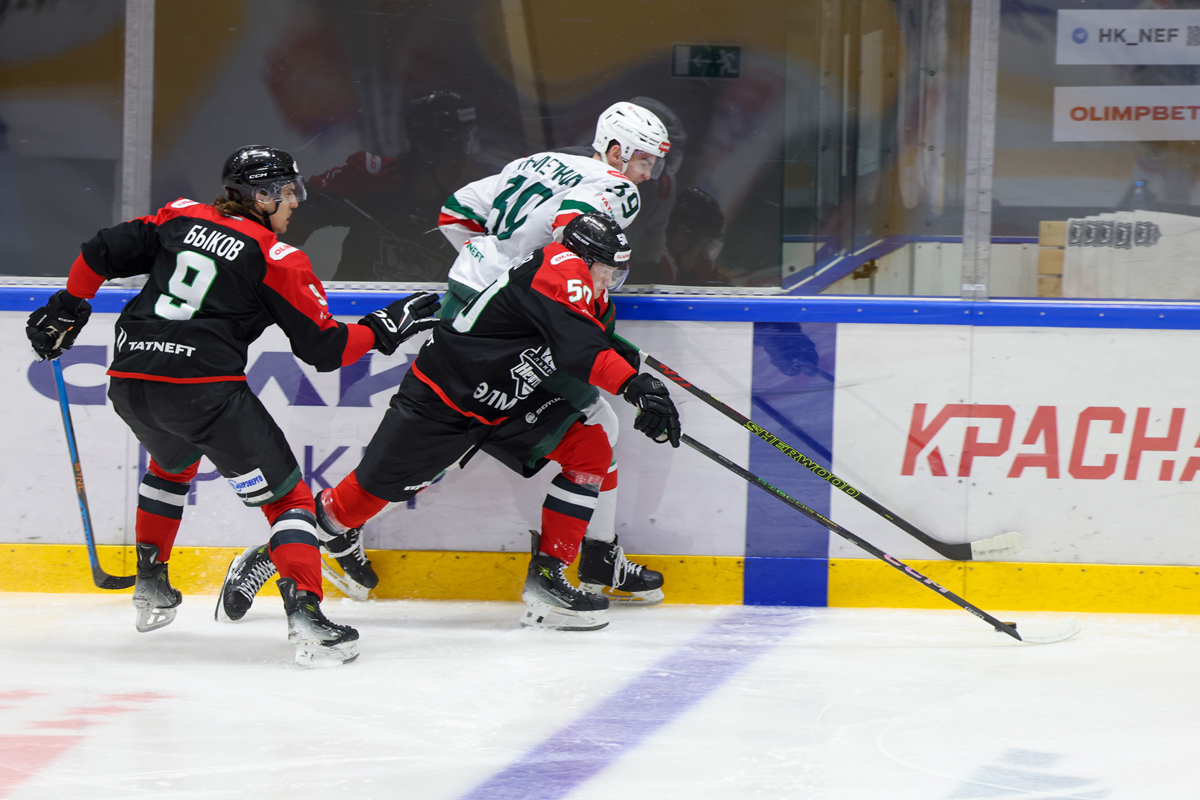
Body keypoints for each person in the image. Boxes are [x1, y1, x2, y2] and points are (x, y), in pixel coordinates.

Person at [24, 145, 439, 666]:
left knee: (171, 466)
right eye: (286, 191)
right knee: (289, 503)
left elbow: (100, 250)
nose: (295, 201)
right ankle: (307, 615)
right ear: (260, 196)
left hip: (130, 382)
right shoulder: (276, 257)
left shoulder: (178, 217)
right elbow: (326, 349)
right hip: (204, 392)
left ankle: (151, 583)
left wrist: (68, 304)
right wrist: (385, 328)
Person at [221, 213, 681, 631]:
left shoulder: (588, 294)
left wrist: (641, 386)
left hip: (508, 404)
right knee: (352, 507)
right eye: (607, 269)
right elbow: (582, 349)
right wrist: (634, 386)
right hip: (442, 404)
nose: (610, 280)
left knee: (590, 448)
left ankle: (548, 578)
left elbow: (585, 342)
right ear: (583, 258)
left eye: (618, 271)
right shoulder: (560, 267)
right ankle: (267, 556)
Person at [430, 101, 672, 605]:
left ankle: (598, 554)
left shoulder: (536, 162)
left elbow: (456, 211)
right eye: (643, 160)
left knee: (441, 432)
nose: (647, 175)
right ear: (616, 150)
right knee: (443, 438)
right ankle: (325, 531)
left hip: (477, 307)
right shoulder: (618, 188)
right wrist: (540, 297)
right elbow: (572, 237)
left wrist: (493, 270)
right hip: (517, 325)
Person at [282, 91, 479, 282]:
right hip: (355, 303)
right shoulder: (370, 178)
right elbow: (291, 221)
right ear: (426, 148)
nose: (464, 159)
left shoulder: (472, 205)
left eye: (467, 145)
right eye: (456, 147)